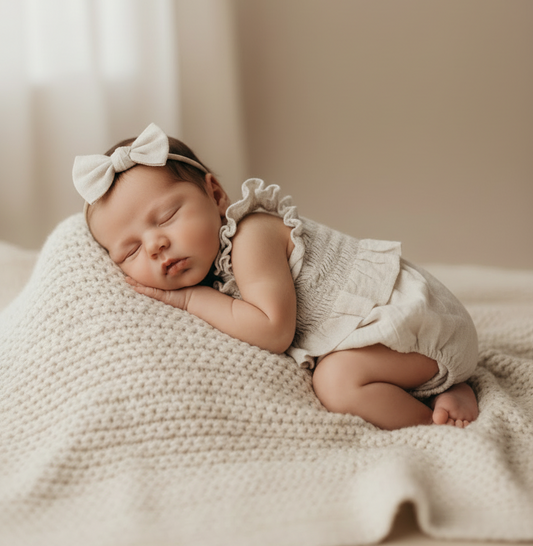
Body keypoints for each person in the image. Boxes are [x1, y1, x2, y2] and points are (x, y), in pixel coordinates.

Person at [73, 123, 479, 431]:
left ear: (216, 196)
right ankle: (448, 389)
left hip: (417, 323)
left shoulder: (251, 235)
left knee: (336, 382)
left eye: (167, 217)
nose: (156, 245)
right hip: (391, 343)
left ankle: (434, 426)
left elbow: (272, 330)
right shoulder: (214, 264)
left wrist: (188, 300)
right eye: (130, 251)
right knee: (344, 372)